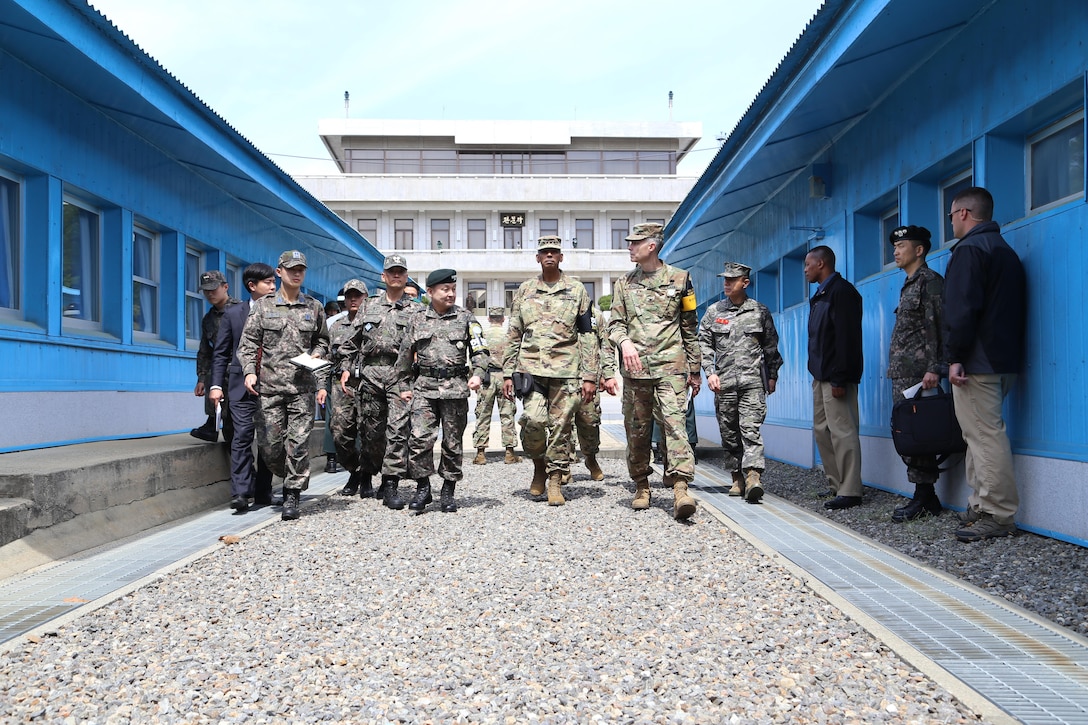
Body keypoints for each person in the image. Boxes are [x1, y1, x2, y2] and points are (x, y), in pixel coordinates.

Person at [944, 187, 1027, 542]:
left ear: (964, 213)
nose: (950, 221)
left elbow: (962, 310)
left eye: (951, 215)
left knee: (983, 435)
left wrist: (955, 357)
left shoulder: (970, 251)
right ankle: (980, 504)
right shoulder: (1005, 251)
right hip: (1002, 358)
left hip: (976, 361)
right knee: (978, 434)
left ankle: (997, 512)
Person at [607, 223, 701, 521]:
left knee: (675, 426)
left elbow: (689, 327)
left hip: (671, 368)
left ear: (652, 246)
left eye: (635, 243)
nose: (629, 247)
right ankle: (642, 485)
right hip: (635, 371)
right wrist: (625, 344)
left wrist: (695, 369)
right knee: (637, 431)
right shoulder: (623, 283)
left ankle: (681, 487)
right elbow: (615, 324)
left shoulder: (681, 279)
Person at [502, 236, 598, 506]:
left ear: (561, 257)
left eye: (554, 252)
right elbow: (514, 333)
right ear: (537, 257)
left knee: (561, 428)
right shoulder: (525, 290)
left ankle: (555, 479)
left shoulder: (577, 290)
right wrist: (507, 373)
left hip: (566, 370)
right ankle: (538, 467)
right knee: (533, 421)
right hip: (530, 369)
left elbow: (588, 335)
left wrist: (590, 376)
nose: (549, 256)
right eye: (544, 252)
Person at [237, 250, 330, 521]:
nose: (297, 273)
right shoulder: (264, 307)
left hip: (302, 388)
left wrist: (317, 353)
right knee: (270, 447)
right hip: (270, 388)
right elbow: (249, 344)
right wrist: (249, 372)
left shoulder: (314, 307)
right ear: (279, 272)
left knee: (298, 443)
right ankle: (286, 474)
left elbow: (323, 341)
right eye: (291, 269)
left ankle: (293, 494)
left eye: (301, 269)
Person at [396, 269, 489, 513]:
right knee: (419, 439)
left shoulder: (466, 318)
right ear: (430, 292)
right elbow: (404, 355)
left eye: (453, 290)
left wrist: (478, 373)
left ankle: (448, 490)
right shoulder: (417, 319)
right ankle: (423, 487)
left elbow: (480, 351)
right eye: (444, 289)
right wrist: (404, 386)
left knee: (453, 443)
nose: (450, 294)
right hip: (424, 389)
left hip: (455, 390)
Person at [338, 254, 424, 510]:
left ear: (406, 276)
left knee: (398, 431)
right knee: (371, 433)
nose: (396, 275)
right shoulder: (368, 306)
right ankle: (369, 471)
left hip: (401, 376)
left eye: (401, 271)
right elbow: (350, 342)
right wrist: (346, 369)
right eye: (391, 271)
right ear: (383, 277)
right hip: (371, 376)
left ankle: (391, 484)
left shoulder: (417, 310)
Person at [698, 261, 783, 504]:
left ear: (745, 283)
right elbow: (703, 343)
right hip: (723, 384)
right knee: (730, 433)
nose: (726, 283)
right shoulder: (714, 312)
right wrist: (709, 372)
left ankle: (754, 476)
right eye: (724, 279)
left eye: (731, 280)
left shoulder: (759, 311)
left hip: (752, 383)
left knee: (751, 429)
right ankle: (737, 477)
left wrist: (773, 375)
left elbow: (771, 346)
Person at [886, 225, 947, 522]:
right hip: (904, 374)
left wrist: (934, 368)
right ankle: (928, 497)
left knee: (919, 434)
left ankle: (924, 496)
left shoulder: (930, 282)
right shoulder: (910, 283)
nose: (895, 251)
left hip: (920, 376)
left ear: (919, 250)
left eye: (902, 246)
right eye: (894, 247)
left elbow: (937, 328)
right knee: (908, 433)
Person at [208, 263, 277, 512]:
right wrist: (216, 385)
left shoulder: (281, 311)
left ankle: (263, 492)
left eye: (273, 282)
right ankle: (240, 493)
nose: (273, 286)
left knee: (269, 440)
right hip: (239, 387)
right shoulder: (234, 314)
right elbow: (220, 353)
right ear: (252, 286)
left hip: (272, 386)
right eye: (268, 283)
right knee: (242, 437)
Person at [804, 245, 864, 510]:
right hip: (821, 376)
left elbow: (847, 339)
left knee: (843, 431)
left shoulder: (841, 292)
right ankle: (836, 484)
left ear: (821, 264)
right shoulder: (821, 294)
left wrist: (840, 378)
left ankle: (850, 489)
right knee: (822, 431)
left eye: (808, 264)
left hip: (836, 377)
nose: (805, 269)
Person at [328, 280, 378, 497]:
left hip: (369, 384)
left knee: (370, 433)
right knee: (340, 434)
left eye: (358, 295)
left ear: (367, 298)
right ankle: (354, 469)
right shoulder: (336, 327)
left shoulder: (376, 325)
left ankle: (366, 475)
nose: (354, 299)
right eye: (350, 296)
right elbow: (329, 358)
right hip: (342, 386)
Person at [571, 305, 619, 481]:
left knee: (590, 421)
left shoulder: (596, 316)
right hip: (563, 376)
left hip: (588, 377)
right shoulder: (559, 312)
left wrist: (607, 374)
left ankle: (590, 458)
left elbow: (606, 346)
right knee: (562, 423)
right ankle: (563, 465)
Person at [191, 270, 239, 443]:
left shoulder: (241, 311)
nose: (210, 293)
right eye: (206, 290)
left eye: (214, 289)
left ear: (225, 287)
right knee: (228, 427)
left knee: (236, 426)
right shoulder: (208, 319)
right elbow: (205, 350)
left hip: (239, 374)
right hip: (219, 375)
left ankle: (249, 469)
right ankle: (212, 425)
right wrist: (201, 378)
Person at [472, 307, 521, 465]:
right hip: (505, 377)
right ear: (503, 319)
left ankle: (480, 453)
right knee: (507, 414)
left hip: (486, 377)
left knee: (483, 414)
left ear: (488, 319)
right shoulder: (508, 336)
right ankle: (509, 453)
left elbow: (475, 356)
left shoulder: (483, 335)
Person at [321, 289, 348, 474]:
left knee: (333, 417)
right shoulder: (333, 322)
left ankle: (332, 459)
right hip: (338, 375)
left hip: (337, 374)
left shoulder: (330, 322)